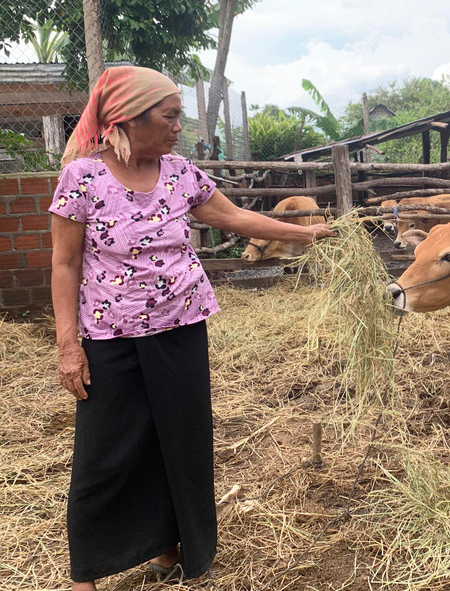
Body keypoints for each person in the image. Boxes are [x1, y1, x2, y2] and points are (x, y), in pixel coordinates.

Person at [49, 66, 335, 590]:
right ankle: (85, 573)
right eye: (170, 115)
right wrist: (69, 345)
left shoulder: (181, 172)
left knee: (179, 440)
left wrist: (306, 232)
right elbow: (64, 265)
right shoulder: (82, 178)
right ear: (130, 118)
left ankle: (170, 547)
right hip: (109, 335)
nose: (179, 126)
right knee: (104, 450)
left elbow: (235, 219)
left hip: (180, 327)